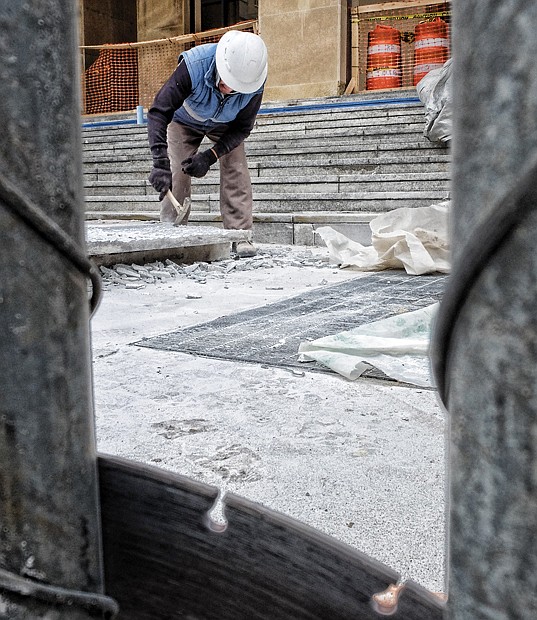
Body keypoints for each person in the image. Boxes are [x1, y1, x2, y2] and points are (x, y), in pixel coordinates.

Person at [147, 30, 268, 258]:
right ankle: (171, 234)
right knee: (177, 174)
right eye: (226, 81)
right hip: (183, 120)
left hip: (226, 123)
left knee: (236, 167)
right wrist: (160, 163)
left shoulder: (254, 81)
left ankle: (240, 234)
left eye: (236, 87)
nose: (229, 89)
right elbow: (158, 112)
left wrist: (210, 156)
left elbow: (242, 129)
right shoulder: (194, 65)